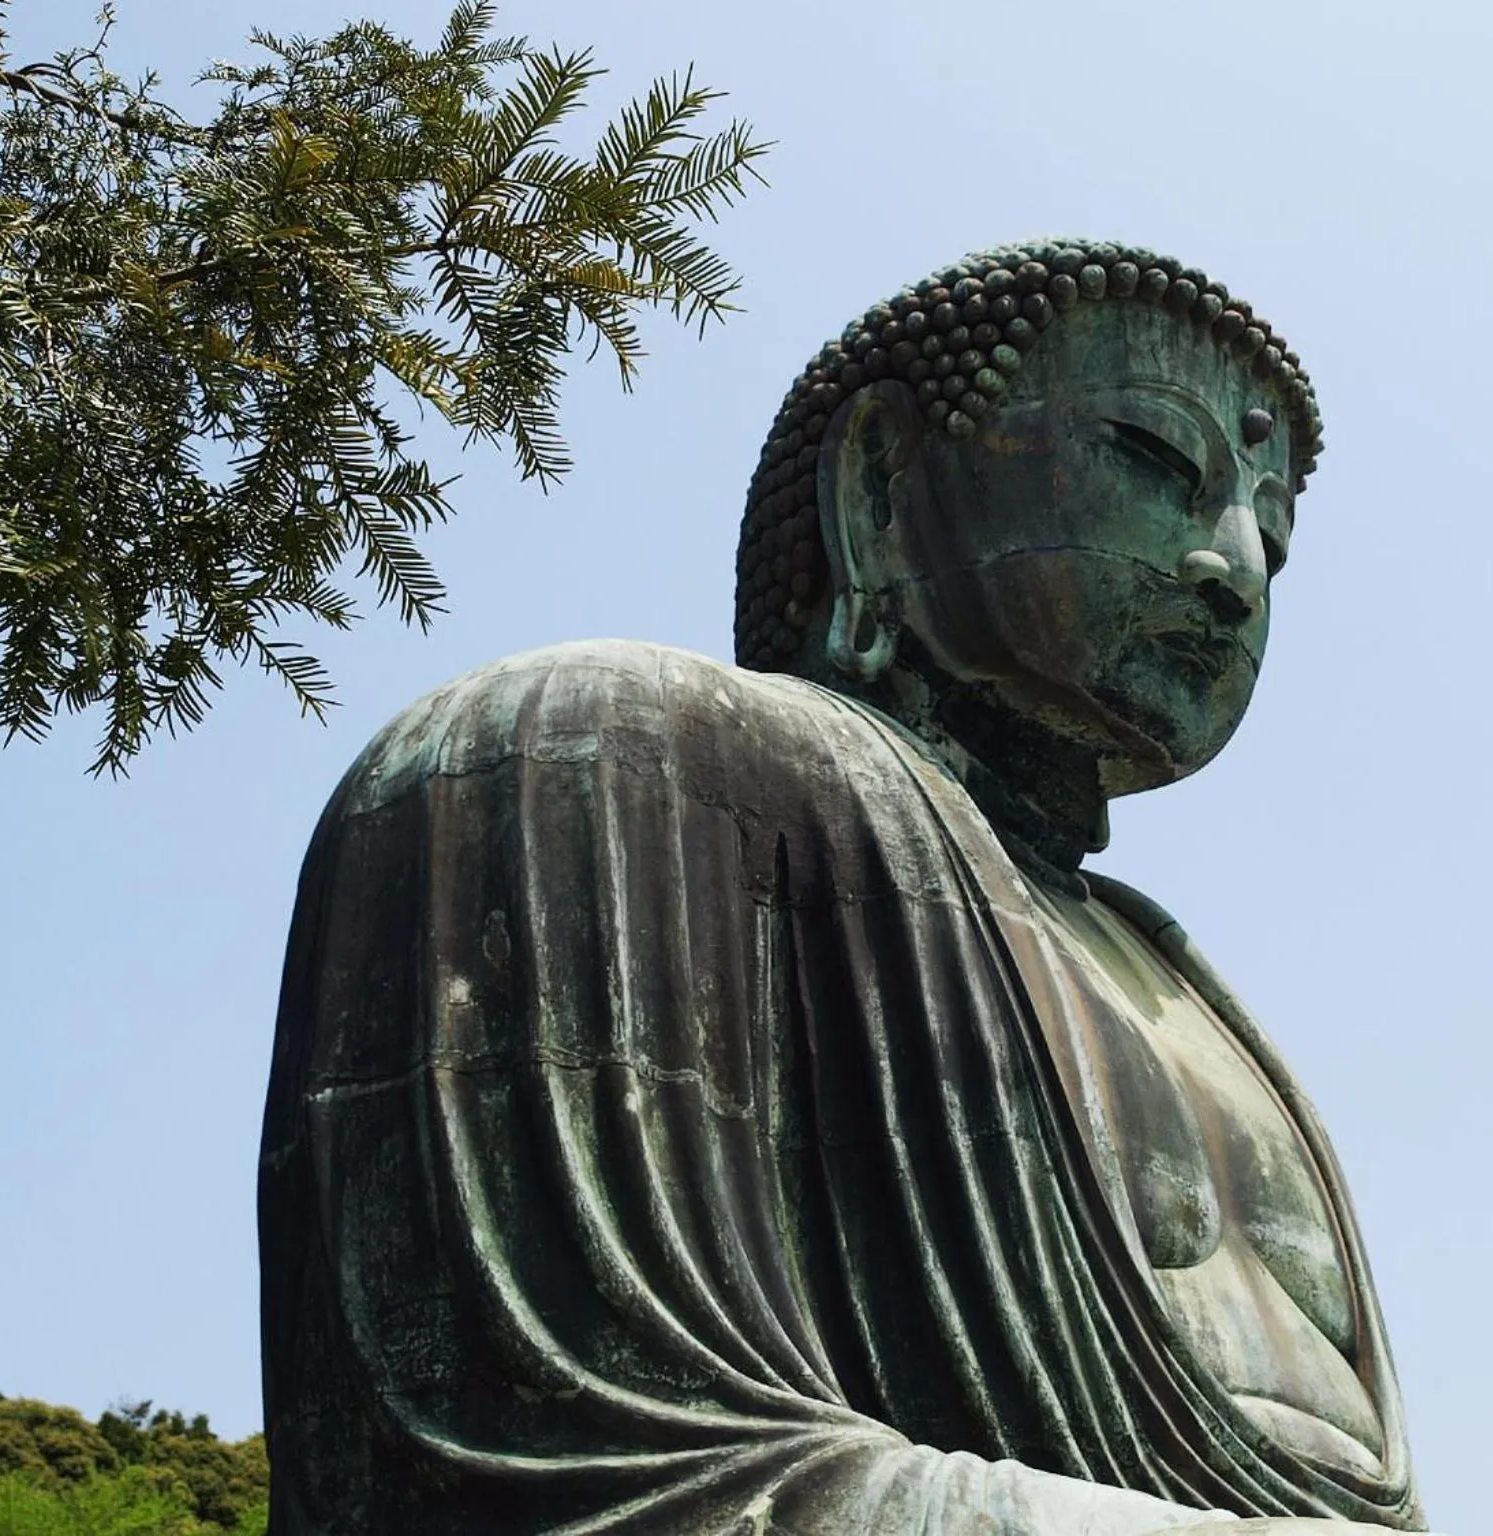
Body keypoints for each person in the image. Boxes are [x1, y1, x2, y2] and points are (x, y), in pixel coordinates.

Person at [258, 241, 1431, 1533]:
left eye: (1273, 537)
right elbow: (519, 1458)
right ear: (880, 487)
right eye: (1154, 458)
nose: (1235, 572)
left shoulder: (1201, 1001)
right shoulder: (598, 751)